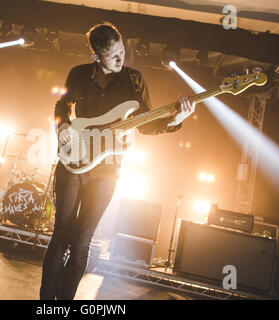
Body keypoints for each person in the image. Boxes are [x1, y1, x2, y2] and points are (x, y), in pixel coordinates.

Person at [40, 22, 195, 300]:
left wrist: (175, 120)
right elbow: (62, 105)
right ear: (96, 56)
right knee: (60, 235)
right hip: (73, 160)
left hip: (107, 169)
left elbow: (146, 124)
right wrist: (62, 125)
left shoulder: (135, 80)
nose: (120, 58)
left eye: (122, 51)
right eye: (113, 55)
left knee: (82, 242)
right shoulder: (78, 75)